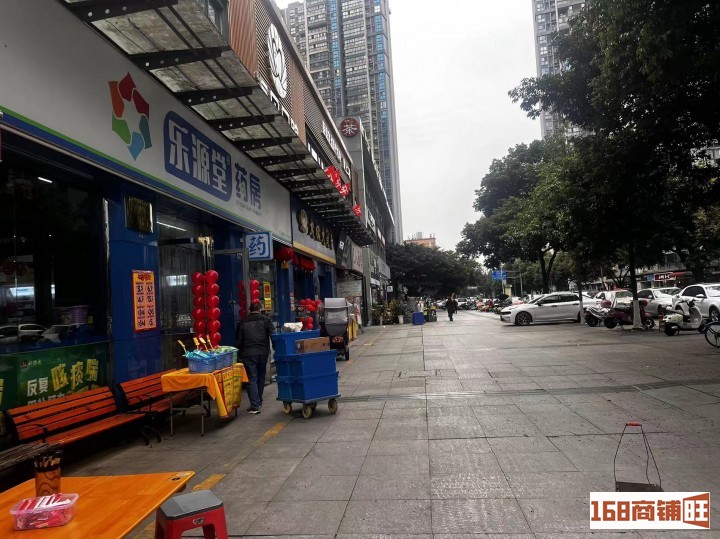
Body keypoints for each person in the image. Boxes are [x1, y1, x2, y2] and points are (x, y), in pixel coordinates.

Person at [235, 301, 275, 414]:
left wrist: (239, 354)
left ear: (250, 310)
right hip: (263, 352)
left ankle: (255, 405)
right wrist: (276, 349)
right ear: (260, 310)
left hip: (248, 353)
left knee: (252, 379)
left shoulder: (243, 322)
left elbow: (239, 340)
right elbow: (273, 335)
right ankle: (259, 401)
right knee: (261, 377)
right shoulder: (266, 320)